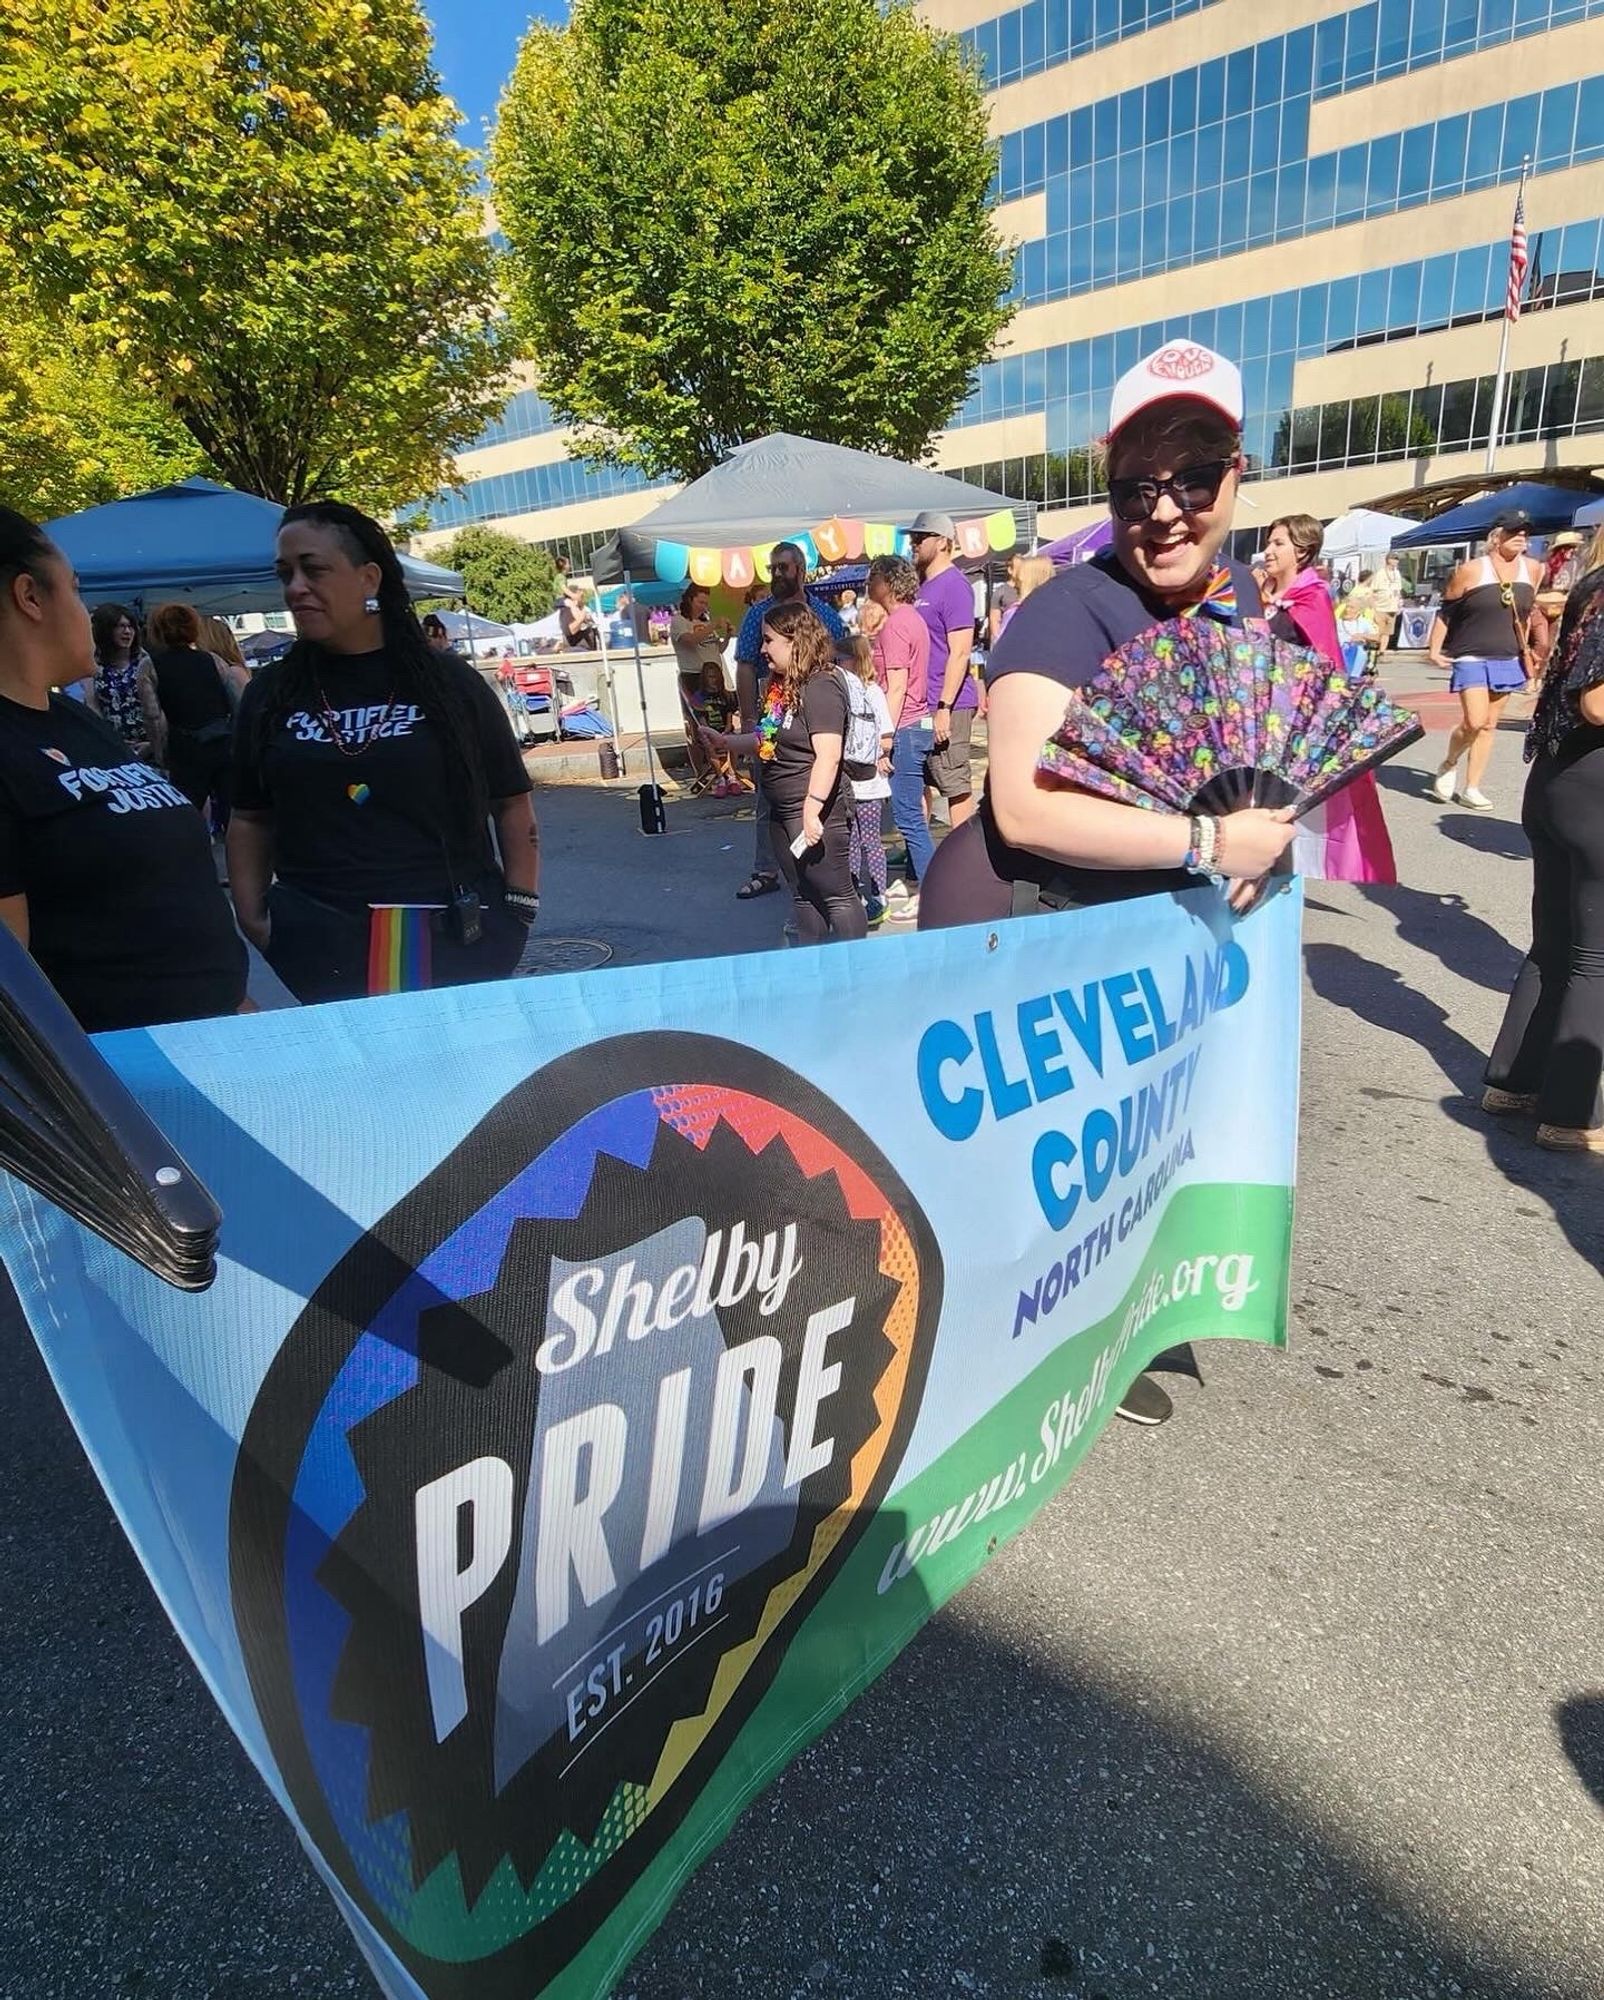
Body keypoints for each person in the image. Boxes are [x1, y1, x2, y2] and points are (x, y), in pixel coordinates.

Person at [919, 341, 1299, 1428]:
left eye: (1193, 477)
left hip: (1133, 926)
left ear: (1236, 476)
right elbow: (1024, 810)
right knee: (1021, 1167)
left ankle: (1100, 1317)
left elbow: (1249, 766)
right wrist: (1203, 845)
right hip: (1016, 916)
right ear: (1108, 491)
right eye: (1137, 485)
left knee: (1124, 1140)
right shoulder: (1066, 611)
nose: (1165, 509)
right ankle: (1007, 1362)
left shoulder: (1232, 608)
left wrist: (1262, 836)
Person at [228, 501, 541, 1006]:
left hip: (455, 935)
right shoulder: (270, 694)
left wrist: (520, 907)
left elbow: (511, 802)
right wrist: (256, 920)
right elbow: (249, 817)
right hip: (321, 942)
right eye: (286, 573)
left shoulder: (450, 683)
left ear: (369, 579)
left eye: (315, 569)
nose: (295, 588)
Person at [0, 508, 245, 1031]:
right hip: (121, 1075)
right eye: (74, 587)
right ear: (30, 596)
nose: (85, 610)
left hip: (217, 1036)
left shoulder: (69, 717)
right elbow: (13, 991)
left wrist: (236, 999)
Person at [1484, 525, 1604, 1151]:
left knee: (1553, 945)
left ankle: (1512, 1081)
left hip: (1556, 780)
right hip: (1595, 788)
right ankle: (1571, 1113)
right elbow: (1598, 702)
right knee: (1596, 958)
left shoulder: (1588, 587)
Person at [701, 600, 866, 945]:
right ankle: (814, 971)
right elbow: (767, 738)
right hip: (782, 809)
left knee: (837, 896)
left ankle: (857, 977)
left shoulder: (821, 685)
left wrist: (811, 808)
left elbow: (829, 755)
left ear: (795, 641)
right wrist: (727, 742)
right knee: (804, 896)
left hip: (815, 812)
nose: (762, 649)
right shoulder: (782, 687)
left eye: (769, 639)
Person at [1260, 515, 1396, 883]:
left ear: (1302, 551)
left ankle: (1280, 879)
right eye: (1269, 543)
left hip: (1294, 720)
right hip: (1259, 716)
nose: (1268, 551)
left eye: (1278, 544)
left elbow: (1324, 661)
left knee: (1286, 804)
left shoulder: (1311, 596)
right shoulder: (1263, 593)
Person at [731, 542, 847, 902]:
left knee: (820, 785)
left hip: (813, 717)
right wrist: (749, 720)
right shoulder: (759, 614)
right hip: (775, 712)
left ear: (800, 569)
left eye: (783, 568)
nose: (777, 575)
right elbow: (746, 665)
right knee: (769, 793)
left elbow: (841, 657)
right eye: (772, 569)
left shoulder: (822, 614)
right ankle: (770, 869)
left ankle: (832, 872)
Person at [1426, 508, 1545, 813]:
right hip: (1471, 654)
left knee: (1490, 724)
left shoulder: (1533, 569)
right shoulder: (1471, 570)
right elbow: (1447, 611)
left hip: (1507, 654)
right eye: (1514, 531)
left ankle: (1472, 787)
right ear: (1496, 537)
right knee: (1475, 720)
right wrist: (1435, 649)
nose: (1521, 537)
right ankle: (1449, 762)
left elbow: (1528, 613)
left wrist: (1531, 651)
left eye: (1525, 532)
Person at [864, 552, 935, 914]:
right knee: (914, 810)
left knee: (907, 814)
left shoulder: (894, 626)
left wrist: (885, 738)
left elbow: (896, 686)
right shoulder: (914, 620)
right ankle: (914, 880)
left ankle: (929, 892)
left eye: (873, 577)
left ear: (887, 583)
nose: (867, 584)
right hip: (919, 722)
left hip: (905, 726)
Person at [904, 510, 979, 839]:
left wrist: (945, 707)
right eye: (913, 538)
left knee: (954, 783)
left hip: (948, 704)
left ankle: (965, 861)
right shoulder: (922, 586)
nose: (914, 543)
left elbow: (960, 651)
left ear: (944, 542)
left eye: (921, 537)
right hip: (921, 703)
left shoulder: (955, 586)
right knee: (919, 779)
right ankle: (917, 857)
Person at [146, 601, 246, 829]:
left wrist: (161, 752)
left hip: (185, 748)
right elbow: (238, 704)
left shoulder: (149, 665)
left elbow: (153, 716)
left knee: (186, 817)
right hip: (222, 742)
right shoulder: (213, 660)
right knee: (234, 817)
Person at [841, 636, 895, 926]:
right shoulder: (874, 691)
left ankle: (854, 894)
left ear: (851, 660)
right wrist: (880, 754)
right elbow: (886, 737)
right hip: (872, 780)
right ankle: (880, 895)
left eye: (840, 659)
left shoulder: (842, 691)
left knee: (851, 841)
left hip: (848, 781)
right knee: (872, 840)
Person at [87, 603, 165, 766]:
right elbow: (93, 708)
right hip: (115, 750)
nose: (127, 632)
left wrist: (153, 744)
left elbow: (161, 706)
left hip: (152, 748)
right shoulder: (95, 666)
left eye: (130, 626)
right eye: (120, 627)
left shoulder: (147, 663)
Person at [1369, 550, 1405, 656]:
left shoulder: (1397, 573)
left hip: (1392, 607)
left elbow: (1398, 590)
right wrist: (1373, 608)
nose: (1396, 561)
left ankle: (1382, 652)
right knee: (1378, 631)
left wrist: (1399, 603)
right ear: (1388, 560)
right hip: (1380, 607)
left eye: (1397, 559)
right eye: (1394, 558)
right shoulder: (1380, 573)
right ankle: (1373, 651)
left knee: (1387, 631)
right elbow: (1372, 591)